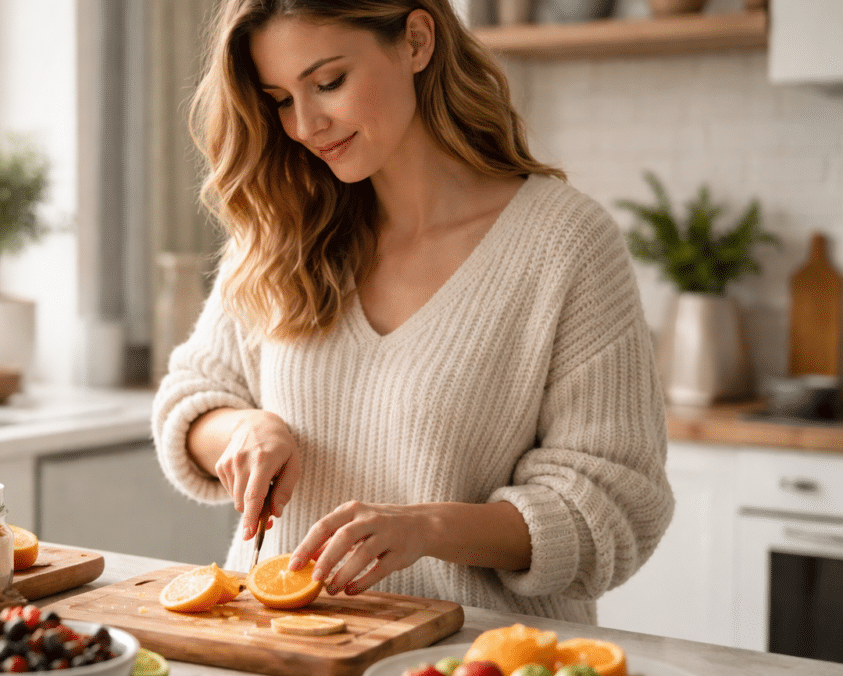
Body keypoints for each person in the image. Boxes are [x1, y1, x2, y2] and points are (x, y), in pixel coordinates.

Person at [151, 0, 674, 624]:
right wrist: (242, 431)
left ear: (417, 41)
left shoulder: (567, 245)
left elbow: (613, 508)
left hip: (475, 659)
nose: (306, 125)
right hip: (280, 650)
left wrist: (427, 528)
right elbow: (192, 399)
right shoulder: (281, 230)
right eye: (281, 99)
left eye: (327, 83)